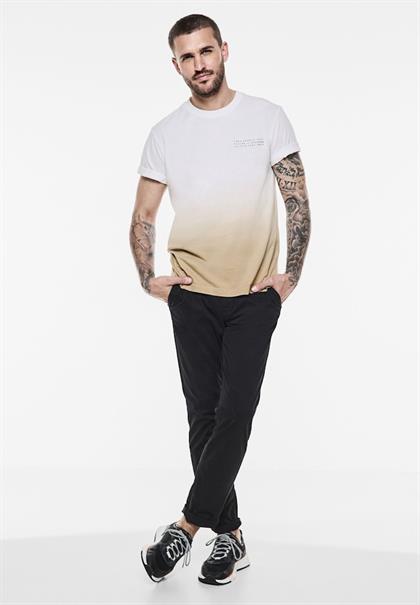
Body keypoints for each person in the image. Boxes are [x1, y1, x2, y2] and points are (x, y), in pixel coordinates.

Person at [129, 13, 311, 586]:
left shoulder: (267, 117)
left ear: (224, 51)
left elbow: (297, 200)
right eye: (187, 57)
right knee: (203, 416)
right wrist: (148, 277)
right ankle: (229, 536)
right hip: (192, 296)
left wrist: (290, 275)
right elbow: (144, 214)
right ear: (176, 65)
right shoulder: (166, 133)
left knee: (236, 412)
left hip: (254, 295)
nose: (199, 64)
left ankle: (185, 527)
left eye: (206, 51)